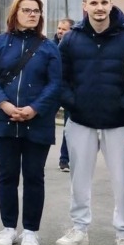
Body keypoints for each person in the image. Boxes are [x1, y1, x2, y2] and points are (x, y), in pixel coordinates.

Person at [53, 0, 124, 245]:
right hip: (81, 120)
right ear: (84, 5)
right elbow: (60, 77)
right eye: (94, 3)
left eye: (104, 2)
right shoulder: (71, 39)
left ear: (111, 4)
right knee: (79, 179)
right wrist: (72, 102)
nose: (100, 8)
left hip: (121, 121)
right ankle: (79, 229)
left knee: (123, 181)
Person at [0, 0, 61, 245]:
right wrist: (4, 104)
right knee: (7, 174)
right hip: (4, 120)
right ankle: (8, 227)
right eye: (26, 10)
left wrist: (35, 108)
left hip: (37, 121)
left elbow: (55, 83)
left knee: (34, 176)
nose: (32, 14)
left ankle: (30, 231)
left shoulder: (49, 47)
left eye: (36, 11)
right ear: (15, 13)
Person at [54, 18, 75, 172]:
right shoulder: (50, 45)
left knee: (69, 126)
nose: (60, 31)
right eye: (59, 28)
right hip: (52, 92)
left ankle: (65, 159)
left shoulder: (74, 47)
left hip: (68, 91)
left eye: (64, 29)